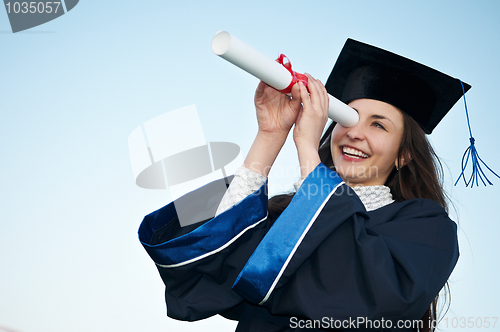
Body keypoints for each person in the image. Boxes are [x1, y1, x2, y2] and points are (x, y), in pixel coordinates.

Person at [138, 39, 469, 331]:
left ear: (404, 155)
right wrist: (270, 136)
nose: (354, 132)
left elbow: (371, 295)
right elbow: (210, 261)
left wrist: (308, 151)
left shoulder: (428, 230)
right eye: (347, 118)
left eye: (378, 125)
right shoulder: (292, 216)